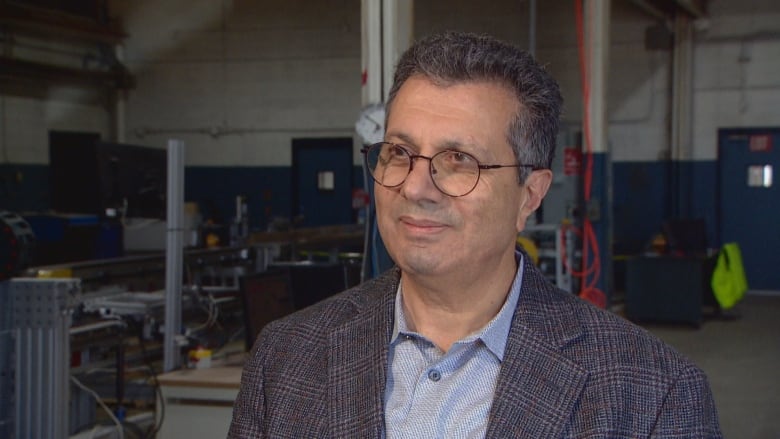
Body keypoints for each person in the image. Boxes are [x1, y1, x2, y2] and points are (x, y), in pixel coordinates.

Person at [228, 31, 722, 438]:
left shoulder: (654, 394)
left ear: (529, 194)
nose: (416, 187)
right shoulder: (286, 357)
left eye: (459, 161)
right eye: (399, 153)